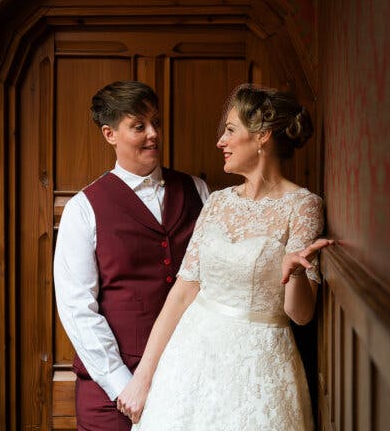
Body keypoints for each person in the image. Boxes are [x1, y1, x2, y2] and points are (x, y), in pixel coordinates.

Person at [117, 83, 332, 430]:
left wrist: (292, 274)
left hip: (258, 365)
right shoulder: (217, 202)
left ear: (262, 136)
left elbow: (302, 315)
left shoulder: (303, 205)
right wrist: (143, 378)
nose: (221, 141)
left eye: (230, 130)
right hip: (189, 357)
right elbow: (183, 292)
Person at [54, 81, 209, 431]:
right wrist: (122, 383)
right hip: (112, 390)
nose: (153, 134)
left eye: (155, 122)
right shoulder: (83, 209)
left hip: (189, 372)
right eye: (139, 126)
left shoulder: (197, 191)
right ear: (110, 134)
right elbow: (78, 308)